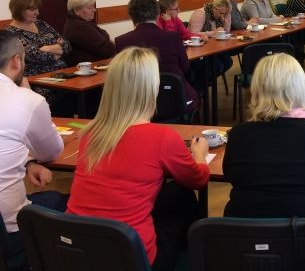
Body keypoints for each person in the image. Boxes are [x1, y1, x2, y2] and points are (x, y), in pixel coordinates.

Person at [66, 47, 210, 271]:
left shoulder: (89, 133)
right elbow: (198, 179)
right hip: (132, 258)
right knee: (182, 206)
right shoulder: (162, 138)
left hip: (76, 252)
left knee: (177, 193)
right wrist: (199, 154)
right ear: (152, 88)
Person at [222, 53, 305, 266]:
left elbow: (231, 175)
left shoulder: (237, 135)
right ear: (300, 88)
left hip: (246, 251)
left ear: (257, 89)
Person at [0, 30, 66, 269]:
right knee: (62, 201)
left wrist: (28, 162)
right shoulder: (25, 100)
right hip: (10, 231)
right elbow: (52, 152)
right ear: (16, 61)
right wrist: (28, 94)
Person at [115, 0, 198, 113]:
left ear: (131, 16)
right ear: (158, 14)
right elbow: (185, 67)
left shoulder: (121, 41)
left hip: (138, 103)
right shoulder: (173, 37)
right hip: (175, 97)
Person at [7, 0, 72, 105]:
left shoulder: (41, 24)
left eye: (37, 9)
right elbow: (38, 56)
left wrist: (47, 48)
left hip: (63, 76)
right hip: (40, 83)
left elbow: (67, 45)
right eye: (32, 9)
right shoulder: (12, 33)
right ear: (19, 10)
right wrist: (58, 48)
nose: (37, 12)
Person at [63, 0, 116, 65]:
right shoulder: (80, 27)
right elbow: (107, 50)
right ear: (77, 10)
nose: (94, 10)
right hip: (90, 67)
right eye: (89, 8)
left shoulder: (75, 22)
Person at [188, 0, 233, 75]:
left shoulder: (219, 15)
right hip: (197, 49)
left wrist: (228, 14)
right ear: (214, 8)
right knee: (217, 66)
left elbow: (226, 31)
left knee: (228, 62)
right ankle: (204, 81)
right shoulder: (200, 14)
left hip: (212, 47)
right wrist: (213, 33)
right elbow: (193, 33)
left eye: (224, 13)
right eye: (221, 13)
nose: (221, 16)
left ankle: (209, 80)